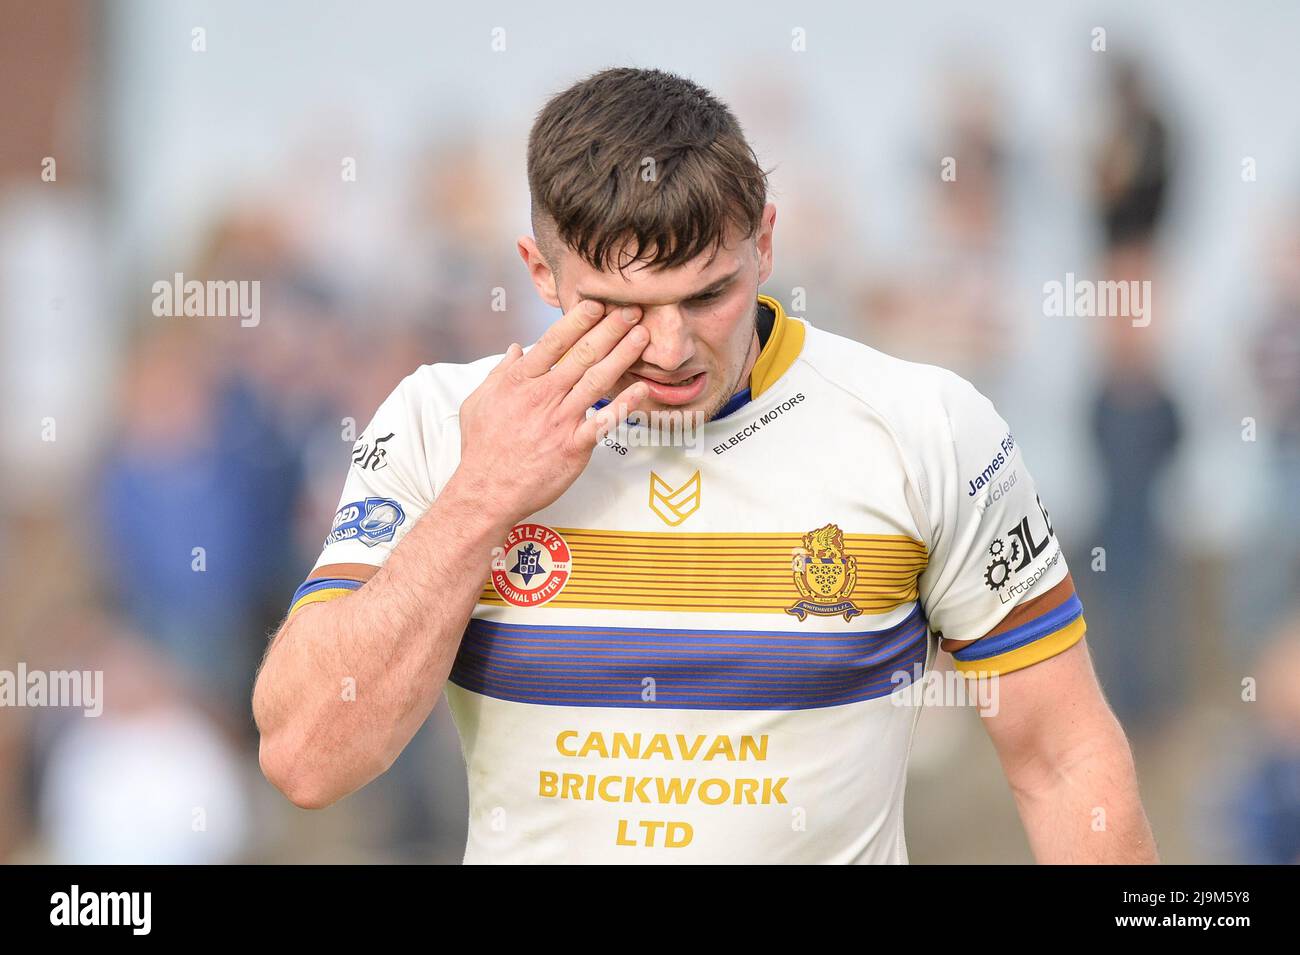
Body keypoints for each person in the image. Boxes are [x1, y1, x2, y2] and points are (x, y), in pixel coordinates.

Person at [252, 67, 1157, 864]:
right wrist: (482, 497)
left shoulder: (926, 426)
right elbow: (306, 756)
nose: (673, 346)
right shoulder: (439, 425)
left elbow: (1065, 758)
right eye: (620, 305)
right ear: (539, 271)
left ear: (765, 243)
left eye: (709, 292)